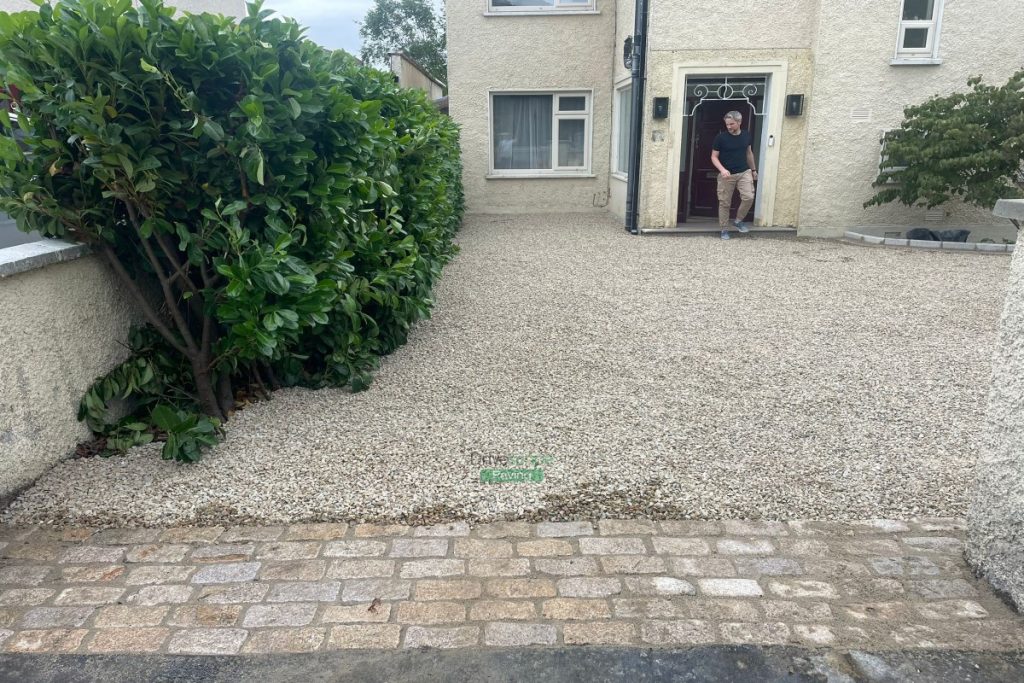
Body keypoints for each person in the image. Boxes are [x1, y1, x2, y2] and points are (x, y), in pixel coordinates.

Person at [710, 111, 758, 240]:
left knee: (748, 197)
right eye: (727, 124)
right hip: (727, 174)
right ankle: (724, 229)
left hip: (744, 172)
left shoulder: (746, 135)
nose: (729, 127)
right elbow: (714, 157)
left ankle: (738, 220)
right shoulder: (720, 138)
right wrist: (722, 170)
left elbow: (749, 153)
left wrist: (753, 170)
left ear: (739, 122)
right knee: (725, 202)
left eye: (732, 124)